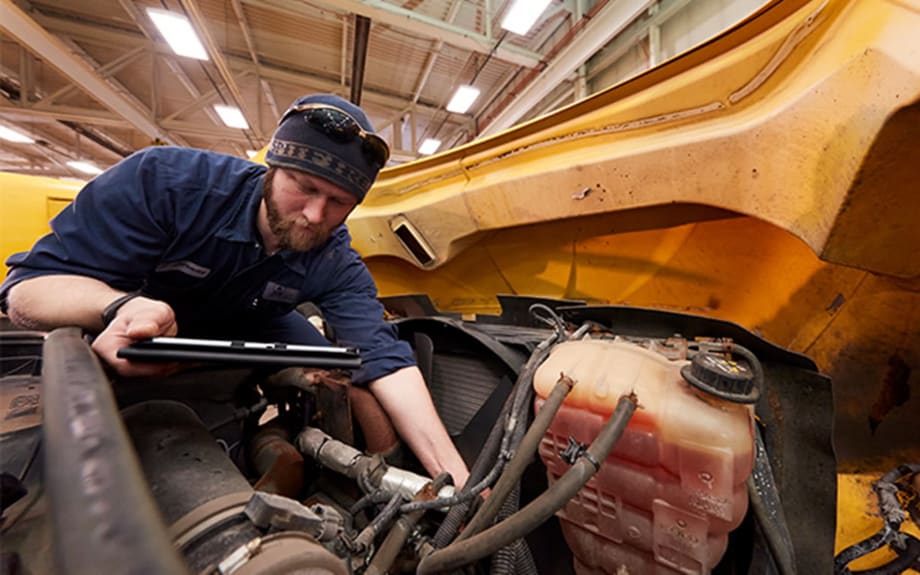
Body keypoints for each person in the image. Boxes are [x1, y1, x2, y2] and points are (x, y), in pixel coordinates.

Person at [0, 93, 469, 488]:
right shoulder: (166, 183)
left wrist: (453, 479)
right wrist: (116, 306)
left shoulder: (333, 257)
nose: (313, 214)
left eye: (339, 203)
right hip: (136, 324)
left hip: (251, 317)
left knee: (348, 375)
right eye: (302, 187)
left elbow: (385, 359)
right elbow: (25, 293)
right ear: (273, 167)